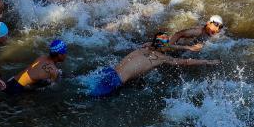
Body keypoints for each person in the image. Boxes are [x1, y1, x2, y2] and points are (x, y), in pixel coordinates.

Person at [90, 32, 220, 97]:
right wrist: (208, 61)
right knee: (90, 99)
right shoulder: (162, 58)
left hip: (109, 71)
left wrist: (188, 48)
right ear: (165, 47)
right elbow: (186, 62)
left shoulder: (145, 46)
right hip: (114, 82)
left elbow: (167, 45)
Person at [3, 39, 67, 95]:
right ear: (59, 55)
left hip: (11, 81)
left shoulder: (41, 58)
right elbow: (52, 87)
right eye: (65, 53)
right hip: (16, 89)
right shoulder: (54, 71)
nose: (66, 55)